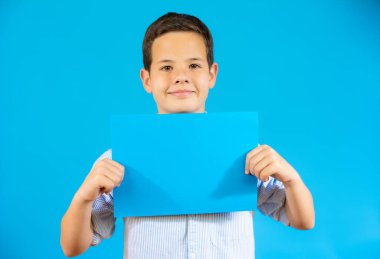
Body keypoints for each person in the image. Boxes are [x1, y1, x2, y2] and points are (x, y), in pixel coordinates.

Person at [60, 12, 315, 258]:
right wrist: (83, 197)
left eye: (193, 65)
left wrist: (291, 179)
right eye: (166, 67)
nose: (181, 77)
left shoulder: (243, 150)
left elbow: (302, 219)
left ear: (211, 74)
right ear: (146, 79)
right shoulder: (120, 157)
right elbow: (73, 247)